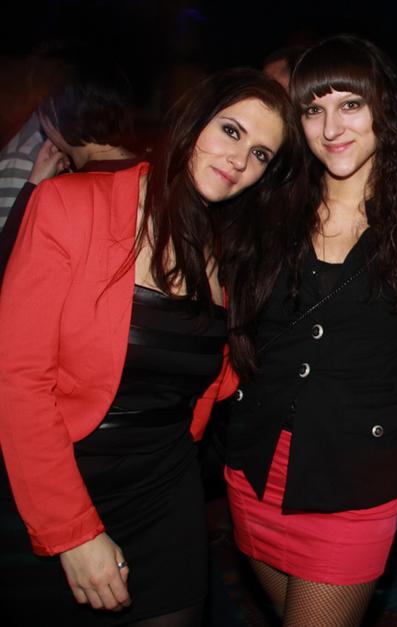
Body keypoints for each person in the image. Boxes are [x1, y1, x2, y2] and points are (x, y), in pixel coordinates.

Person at [0, 68, 303, 626]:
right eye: (231, 131)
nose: (240, 160)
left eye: (261, 154)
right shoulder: (70, 206)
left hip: (165, 497)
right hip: (52, 487)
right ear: (193, 120)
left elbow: (213, 385)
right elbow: (17, 381)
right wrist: (73, 533)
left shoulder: (231, 252)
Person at [221, 36, 397, 627]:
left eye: (350, 104)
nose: (331, 128)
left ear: (385, 107)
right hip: (254, 468)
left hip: (352, 481)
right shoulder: (269, 205)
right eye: (313, 109)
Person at [0, 60, 139, 286]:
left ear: (54, 116)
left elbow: (10, 275)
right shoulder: (157, 177)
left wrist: (33, 187)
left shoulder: (59, 193)